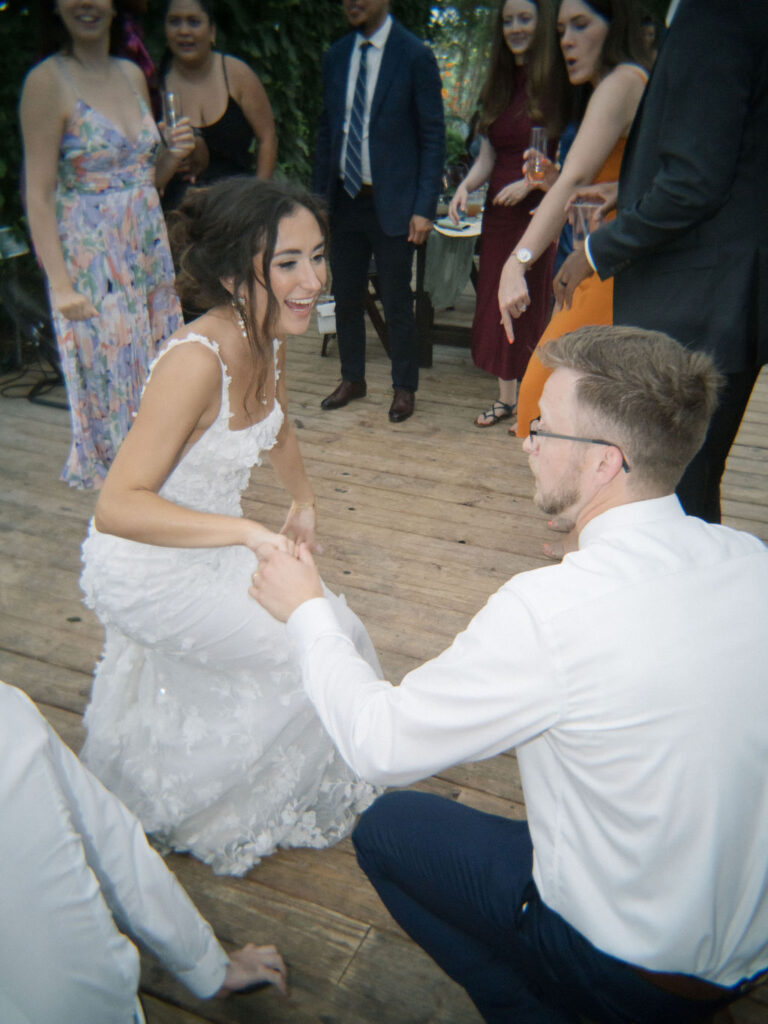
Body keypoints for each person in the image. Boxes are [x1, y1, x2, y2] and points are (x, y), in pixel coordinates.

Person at [252, 324, 768, 1024]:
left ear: (604, 464)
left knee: (388, 828)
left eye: (543, 429)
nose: (526, 442)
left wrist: (308, 611)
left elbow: (381, 744)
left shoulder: (548, 611)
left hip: (628, 969)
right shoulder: (748, 558)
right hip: (746, 947)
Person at [79, 177, 380, 876]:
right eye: (287, 264)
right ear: (229, 275)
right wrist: (245, 533)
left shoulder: (265, 334)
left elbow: (275, 428)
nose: (314, 280)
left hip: (206, 549)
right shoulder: (194, 362)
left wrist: (303, 501)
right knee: (313, 647)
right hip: (145, 568)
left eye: (318, 256)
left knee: (339, 627)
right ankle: (212, 804)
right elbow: (117, 505)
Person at [553, 0, 768, 525]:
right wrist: (626, 192)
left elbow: (694, 183)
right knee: (687, 485)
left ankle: (682, 602)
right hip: (724, 292)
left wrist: (593, 252)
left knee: (674, 492)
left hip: (700, 301)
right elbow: (730, 159)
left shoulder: (713, 15)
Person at [0, 681, 287, 1023]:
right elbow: (108, 839)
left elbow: (106, 837)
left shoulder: (9, 716)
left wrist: (205, 964)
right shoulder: (9, 717)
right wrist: (205, 965)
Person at [19, 0, 195, 490]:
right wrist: (59, 285)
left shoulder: (132, 74)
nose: (85, 4)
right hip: (94, 270)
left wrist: (173, 156)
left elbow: (148, 181)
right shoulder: (47, 81)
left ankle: (161, 498)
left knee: (158, 379)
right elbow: (37, 193)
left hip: (147, 259)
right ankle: (126, 510)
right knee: (113, 390)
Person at [494, 0, 648, 439]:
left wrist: (517, 261)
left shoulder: (622, 82)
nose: (567, 41)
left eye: (581, 25)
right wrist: (554, 180)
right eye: (561, 29)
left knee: (539, 402)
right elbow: (591, 182)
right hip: (596, 262)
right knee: (579, 419)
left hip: (614, 272)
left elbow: (580, 178)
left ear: (615, 26)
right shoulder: (611, 88)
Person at [313, 0, 445, 423]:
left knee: (396, 300)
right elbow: (325, 131)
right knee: (346, 296)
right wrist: (317, 205)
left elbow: (432, 135)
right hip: (344, 200)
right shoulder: (336, 56)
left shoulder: (414, 55)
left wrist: (424, 206)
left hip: (393, 202)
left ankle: (403, 386)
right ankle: (353, 378)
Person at [448, 0, 565, 428]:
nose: (515, 27)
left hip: (537, 212)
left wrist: (532, 182)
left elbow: (566, 162)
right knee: (496, 305)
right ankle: (506, 400)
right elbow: (488, 155)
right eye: (508, 20)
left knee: (529, 305)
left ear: (542, 24)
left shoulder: (556, 83)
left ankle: (536, 401)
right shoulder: (499, 85)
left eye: (524, 18)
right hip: (498, 214)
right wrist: (466, 185)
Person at [159, 0, 277, 210]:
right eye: (174, 22)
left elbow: (267, 137)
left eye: (194, 22)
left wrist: (258, 201)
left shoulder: (237, 74)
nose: (184, 31)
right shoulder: (154, 85)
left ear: (212, 31)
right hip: (177, 214)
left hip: (236, 209)